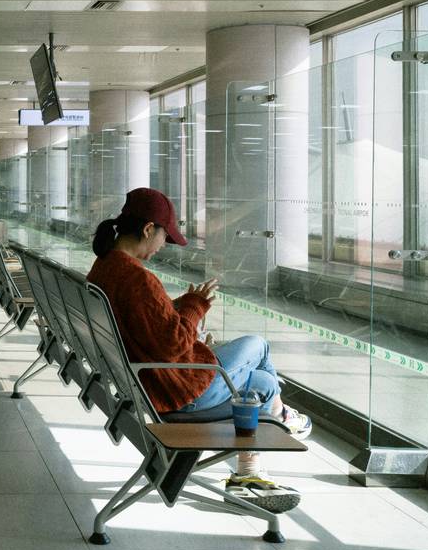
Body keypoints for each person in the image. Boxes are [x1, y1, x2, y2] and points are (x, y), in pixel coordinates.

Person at [86, 187, 311, 514]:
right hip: (176, 390)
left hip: (141, 381)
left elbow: (143, 320)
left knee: (260, 383)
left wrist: (180, 307)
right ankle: (279, 423)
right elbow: (173, 344)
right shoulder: (137, 278)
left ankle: (254, 464)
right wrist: (195, 307)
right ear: (149, 229)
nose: (164, 245)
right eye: (165, 236)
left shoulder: (105, 266)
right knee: (259, 351)